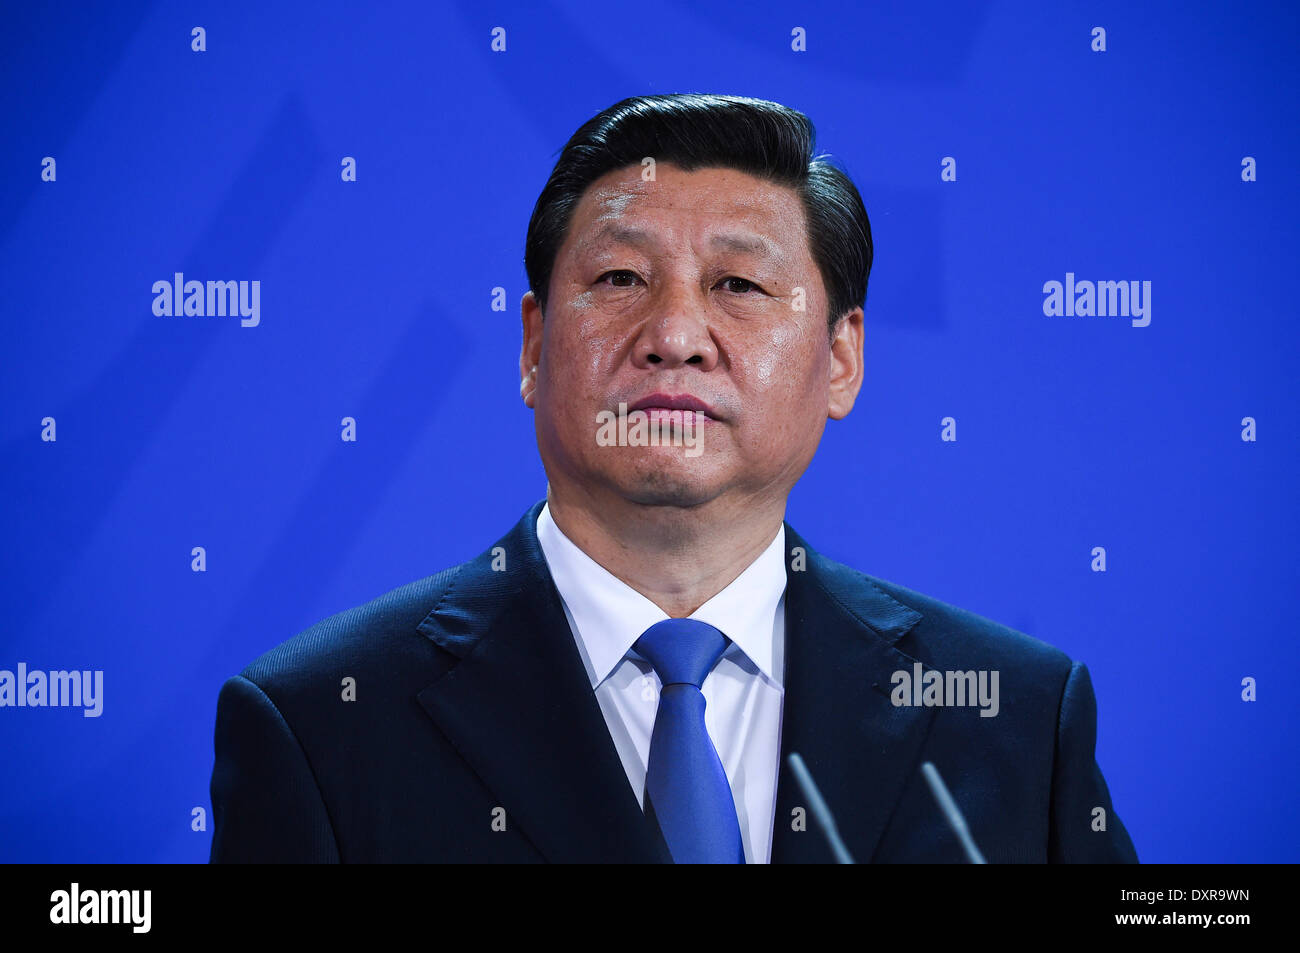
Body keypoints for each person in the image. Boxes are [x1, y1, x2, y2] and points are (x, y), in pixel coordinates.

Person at [209, 93, 1138, 864]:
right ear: (534, 344)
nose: (676, 335)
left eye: (739, 285)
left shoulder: (1013, 716)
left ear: (842, 358)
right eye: (620, 278)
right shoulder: (322, 723)